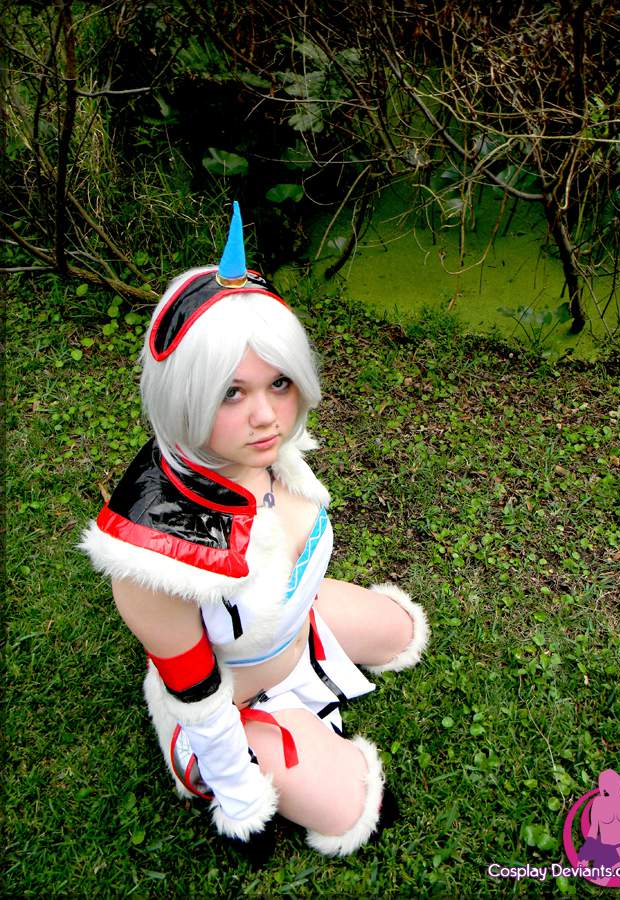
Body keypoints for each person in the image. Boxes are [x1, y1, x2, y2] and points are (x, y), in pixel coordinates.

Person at [80, 202, 429, 857]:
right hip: (226, 699)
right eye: (231, 393)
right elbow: (199, 697)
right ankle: (272, 747)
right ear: (184, 394)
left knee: (401, 631)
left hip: (292, 632)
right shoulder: (153, 556)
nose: (267, 416)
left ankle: (312, 666)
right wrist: (242, 799)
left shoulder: (273, 455)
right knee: (350, 806)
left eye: (279, 382)